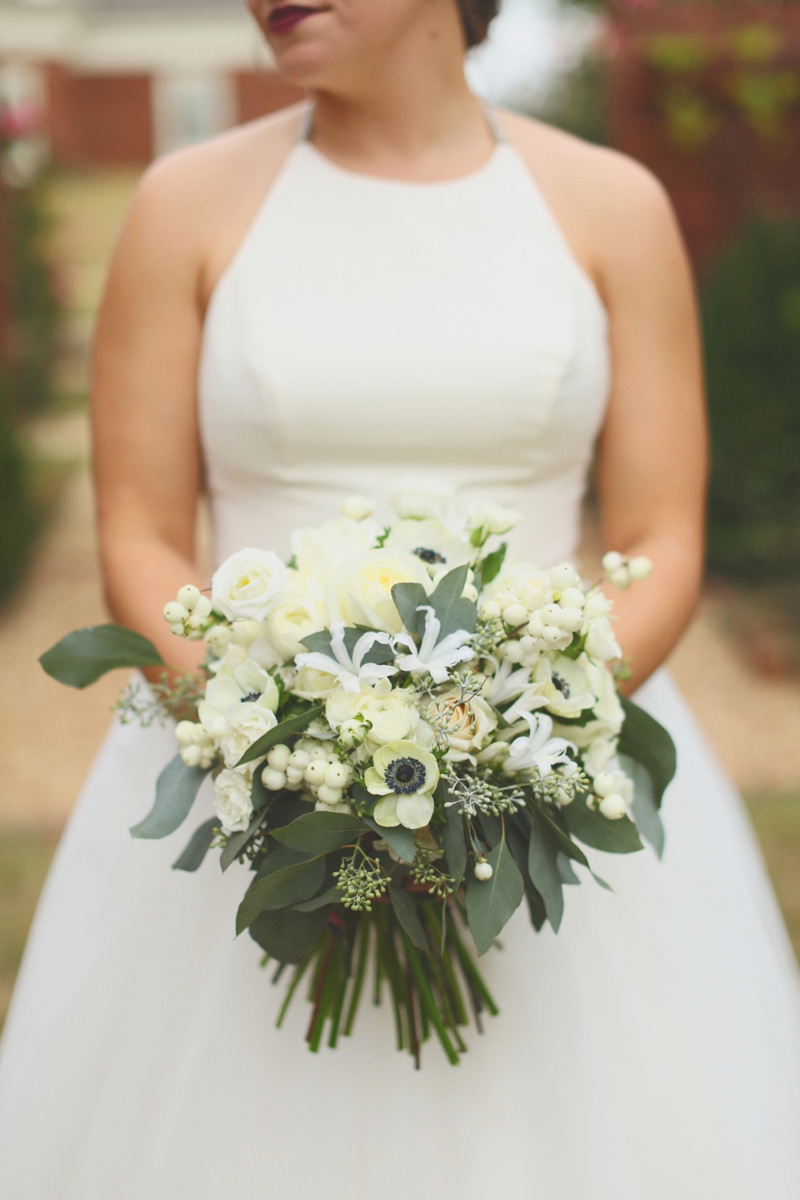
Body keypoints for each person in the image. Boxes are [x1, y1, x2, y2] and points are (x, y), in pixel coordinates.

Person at [1, 1, 799, 1196]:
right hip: (249, 785)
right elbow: (142, 528)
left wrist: (500, 764)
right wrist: (275, 755)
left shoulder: (610, 205)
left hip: (545, 777)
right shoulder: (185, 204)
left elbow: (658, 538)